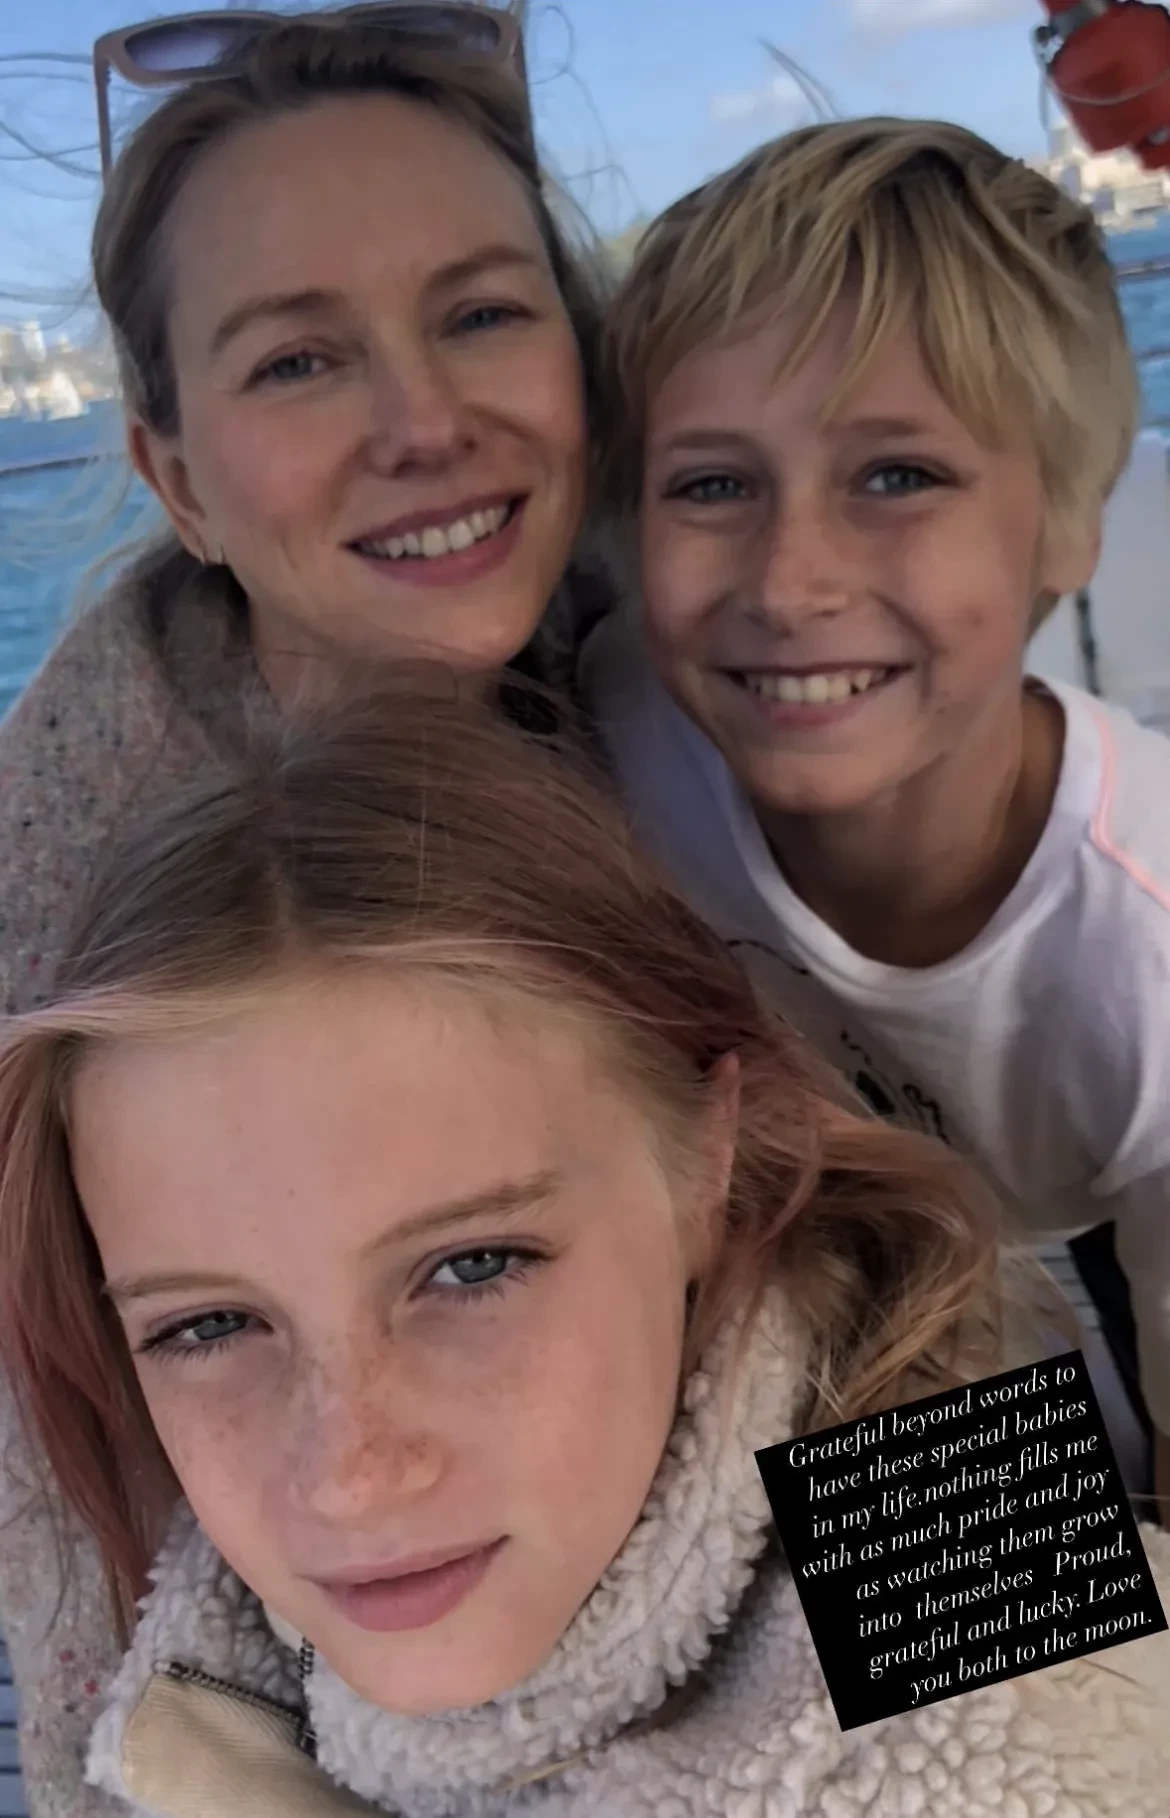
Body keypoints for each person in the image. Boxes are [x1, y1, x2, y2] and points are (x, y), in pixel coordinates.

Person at [0, 679, 1166, 1817]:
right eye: (209, 1325)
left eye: (473, 1266)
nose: (349, 1476)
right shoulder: (212, 1666)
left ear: (706, 1164)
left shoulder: (1008, 1666)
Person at [0, 9, 613, 1810]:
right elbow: (98, 1601)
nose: (426, 423)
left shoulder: (702, 666)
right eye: (296, 361)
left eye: (483, 314)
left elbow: (894, 1236)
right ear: (177, 479)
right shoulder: (91, 954)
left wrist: (1025, 1702)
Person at [580, 116, 1170, 1522]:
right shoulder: (607, 726)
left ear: (1068, 523)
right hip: (820, 1235)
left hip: (1067, 1207)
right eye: (711, 485)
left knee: (1044, 1599)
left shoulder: (1146, 956)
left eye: (896, 475)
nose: (790, 582)